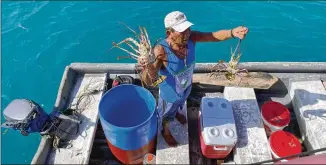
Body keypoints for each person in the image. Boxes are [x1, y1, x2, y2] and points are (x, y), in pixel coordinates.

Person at [138, 11, 249, 147]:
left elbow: (213, 36)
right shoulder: (160, 50)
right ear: (169, 33)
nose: (186, 34)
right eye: (181, 31)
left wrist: (232, 32)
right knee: (166, 114)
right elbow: (150, 80)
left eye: (187, 29)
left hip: (186, 87)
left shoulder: (192, 38)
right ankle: (165, 131)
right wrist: (147, 66)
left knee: (180, 104)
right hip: (170, 94)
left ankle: (177, 113)